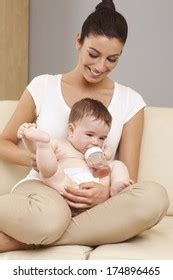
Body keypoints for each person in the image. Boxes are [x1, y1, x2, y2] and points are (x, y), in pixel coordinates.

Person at [0, 0, 169, 252]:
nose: (100, 66)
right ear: (79, 41)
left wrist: (105, 192)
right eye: (93, 54)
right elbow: (4, 143)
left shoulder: (131, 102)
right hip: (46, 189)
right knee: (50, 218)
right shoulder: (42, 86)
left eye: (112, 59)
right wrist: (35, 160)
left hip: (97, 201)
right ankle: (46, 230)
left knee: (155, 198)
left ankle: (20, 240)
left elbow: (128, 176)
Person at [16, 98, 131, 205]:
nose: (96, 142)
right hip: (65, 182)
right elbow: (35, 151)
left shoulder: (97, 151)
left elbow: (107, 165)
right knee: (51, 170)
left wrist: (106, 155)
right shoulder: (61, 145)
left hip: (94, 185)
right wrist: (28, 138)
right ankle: (42, 143)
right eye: (90, 135)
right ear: (71, 130)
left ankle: (117, 185)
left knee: (117, 164)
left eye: (102, 138)